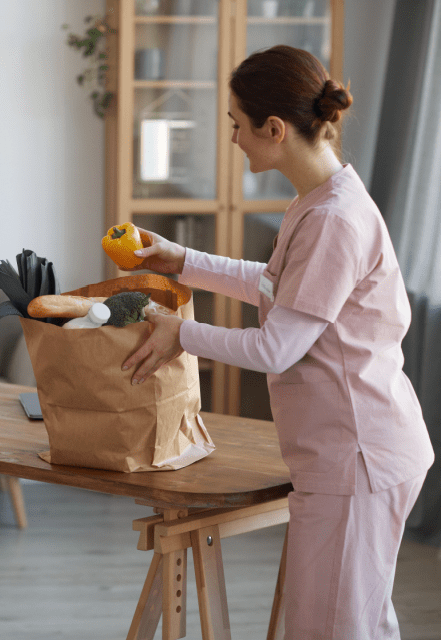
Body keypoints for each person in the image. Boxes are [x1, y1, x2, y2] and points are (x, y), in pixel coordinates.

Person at [123, 45, 434, 639]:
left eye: (237, 125)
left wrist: (180, 334)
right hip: (356, 450)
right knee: (359, 623)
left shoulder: (333, 221)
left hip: (357, 457)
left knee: (332, 629)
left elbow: (276, 347)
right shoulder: (317, 201)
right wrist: (181, 259)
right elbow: (275, 289)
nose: (233, 138)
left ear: (275, 128)